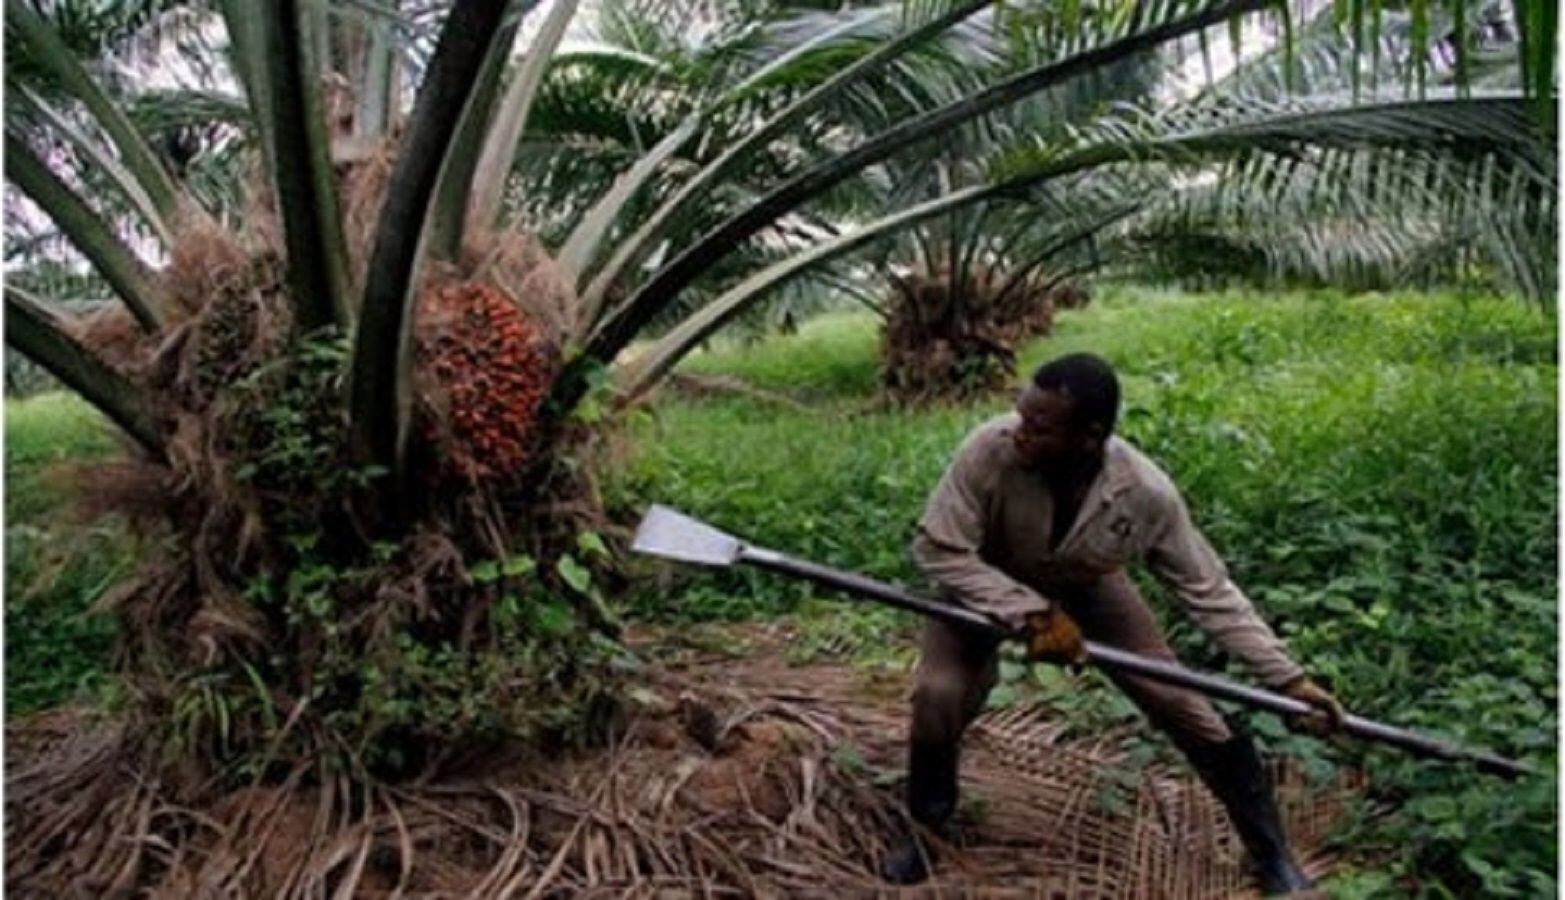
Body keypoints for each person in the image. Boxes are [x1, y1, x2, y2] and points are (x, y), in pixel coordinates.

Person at [882, 353, 1345, 896]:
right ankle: (927, 827)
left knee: (1187, 708)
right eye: (1021, 415)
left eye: (1040, 426)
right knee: (937, 695)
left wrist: (1287, 679)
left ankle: (1272, 854)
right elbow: (939, 549)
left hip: (1088, 588)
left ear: (1089, 436)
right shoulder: (989, 450)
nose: (1020, 433)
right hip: (980, 582)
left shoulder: (1147, 493)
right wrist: (1031, 614)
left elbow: (1209, 591)